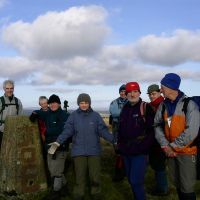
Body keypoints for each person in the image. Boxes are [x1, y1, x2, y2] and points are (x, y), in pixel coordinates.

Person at [48, 93, 115, 200]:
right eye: (81, 103)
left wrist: (114, 140)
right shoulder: (73, 116)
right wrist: (58, 142)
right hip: (78, 152)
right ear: (79, 103)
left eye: (86, 103)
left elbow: (103, 131)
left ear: (89, 103)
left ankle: (96, 194)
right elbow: (67, 131)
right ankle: (79, 195)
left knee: (95, 176)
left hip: (94, 152)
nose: (84, 105)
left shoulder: (96, 116)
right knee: (79, 177)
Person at [154, 73, 200, 200]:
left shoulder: (189, 105)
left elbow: (191, 131)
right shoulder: (163, 105)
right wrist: (165, 145)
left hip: (187, 152)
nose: (160, 89)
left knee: (187, 188)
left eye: (162, 86)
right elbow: (157, 125)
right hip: (170, 152)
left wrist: (172, 147)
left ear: (170, 87)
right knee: (178, 184)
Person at [117, 82, 154, 200]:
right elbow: (120, 129)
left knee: (135, 180)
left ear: (139, 92)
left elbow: (152, 131)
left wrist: (143, 147)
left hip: (139, 151)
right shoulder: (125, 108)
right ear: (126, 94)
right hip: (126, 151)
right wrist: (120, 147)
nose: (132, 94)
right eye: (129, 92)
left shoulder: (145, 107)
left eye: (135, 91)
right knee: (130, 179)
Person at [30, 94, 70, 200]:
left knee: (56, 171)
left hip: (60, 146)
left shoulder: (64, 115)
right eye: (51, 103)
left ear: (59, 104)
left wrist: (46, 131)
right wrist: (34, 113)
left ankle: (56, 192)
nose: (52, 105)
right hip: (50, 146)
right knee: (53, 169)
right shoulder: (48, 114)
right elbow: (40, 112)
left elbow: (62, 129)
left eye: (55, 103)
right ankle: (65, 187)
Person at [147, 84, 168, 196]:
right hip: (153, 140)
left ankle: (162, 189)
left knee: (159, 165)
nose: (151, 96)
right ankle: (160, 186)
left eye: (153, 94)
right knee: (156, 164)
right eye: (150, 94)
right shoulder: (149, 106)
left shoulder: (165, 104)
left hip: (163, 140)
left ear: (159, 92)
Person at [109, 84, 127, 181]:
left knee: (127, 149)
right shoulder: (114, 102)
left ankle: (125, 171)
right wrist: (126, 113)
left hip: (128, 128)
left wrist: (121, 113)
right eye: (121, 91)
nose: (123, 93)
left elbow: (117, 113)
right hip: (117, 127)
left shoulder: (130, 101)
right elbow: (114, 112)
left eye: (124, 91)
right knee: (118, 149)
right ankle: (119, 172)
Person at [0, 80, 23, 149]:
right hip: (1, 130)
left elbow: (20, 116)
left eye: (11, 88)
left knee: (12, 150)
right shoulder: (0, 101)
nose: (9, 90)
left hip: (14, 130)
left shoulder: (17, 101)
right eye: (7, 88)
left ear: (13, 89)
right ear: (4, 89)